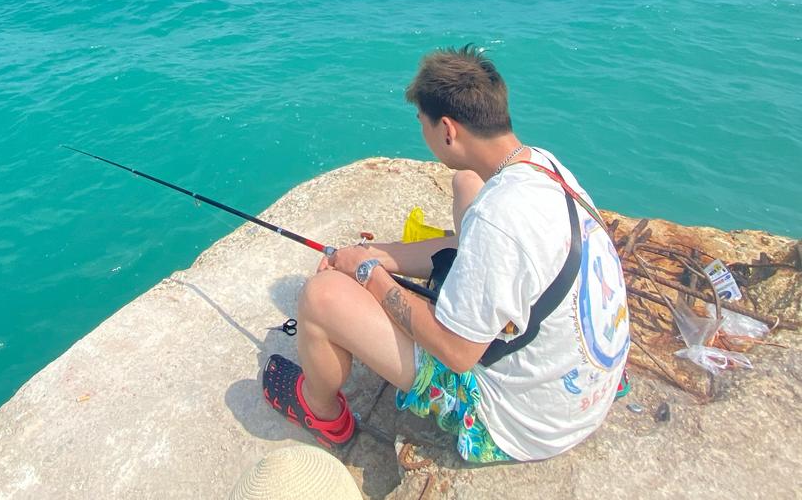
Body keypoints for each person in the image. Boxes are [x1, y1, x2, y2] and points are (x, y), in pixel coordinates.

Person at [262, 45, 630, 464]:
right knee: (466, 183)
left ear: (448, 130)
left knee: (320, 296)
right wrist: (377, 254)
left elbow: (455, 352)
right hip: (579, 384)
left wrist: (367, 274)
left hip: (525, 421)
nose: (422, 132)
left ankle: (321, 412)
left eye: (423, 123)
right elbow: (476, 245)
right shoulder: (541, 164)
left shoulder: (498, 221)